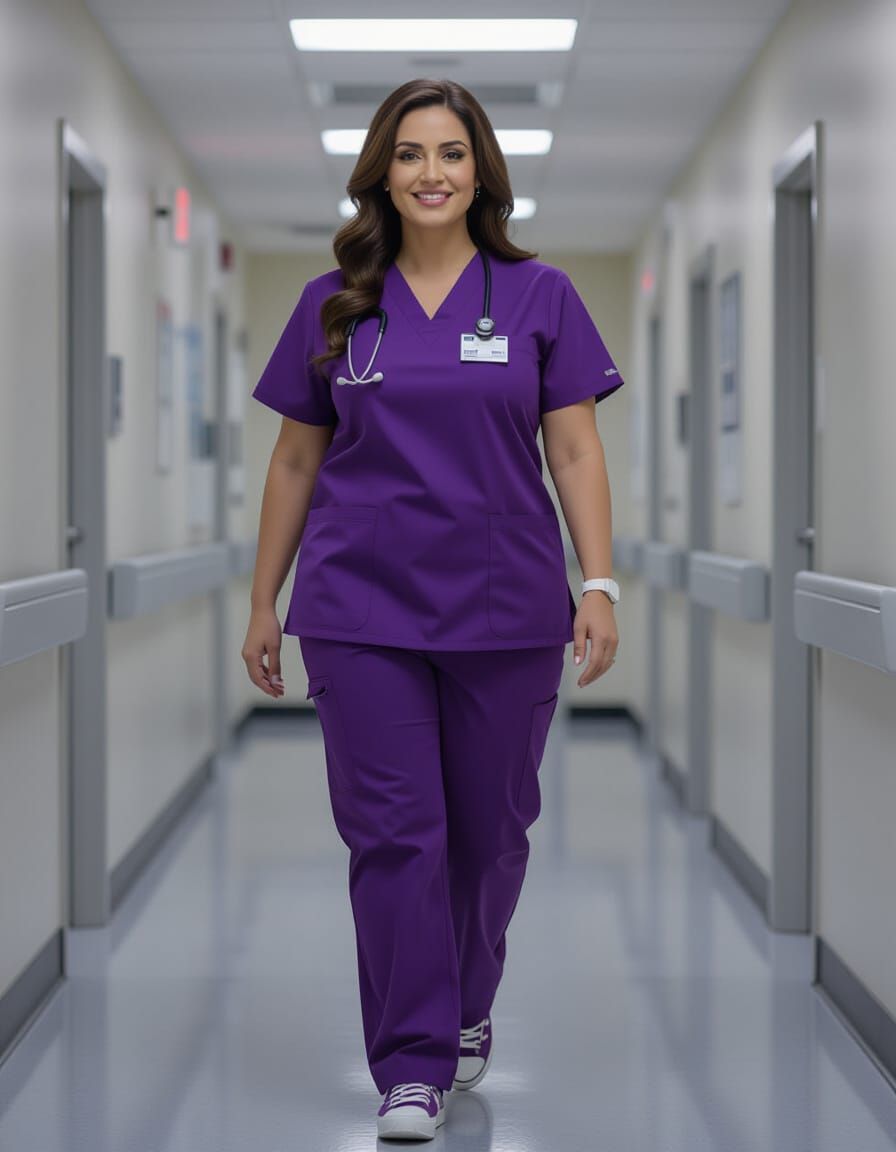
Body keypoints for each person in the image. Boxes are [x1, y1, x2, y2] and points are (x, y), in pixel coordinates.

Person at [242, 77, 624, 1143]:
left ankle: (464, 1007)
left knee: (492, 836)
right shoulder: (337, 304)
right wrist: (263, 601)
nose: (429, 173)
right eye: (408, 154)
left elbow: (574, 447)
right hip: (359, 607)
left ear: (479, 171)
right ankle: (409, 1062)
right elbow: (294, 460)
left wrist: (596, 581)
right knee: (393, 835)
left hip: (503, 609)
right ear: (380, 171)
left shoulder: (537, 296)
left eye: (450, 153)